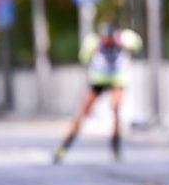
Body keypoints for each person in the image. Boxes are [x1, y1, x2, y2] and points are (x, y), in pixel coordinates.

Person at [53, 21, 143, 164]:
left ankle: (115, 144)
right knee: (83, 112)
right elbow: (83, 57)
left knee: (115, 108)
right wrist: (92, 49)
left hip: (117, 79)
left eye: (110, 38)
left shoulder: (123, 39)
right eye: (105, 38)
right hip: (98, 80)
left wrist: (124, 42)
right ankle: (65, 145)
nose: (108, 41)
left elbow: (137, 45)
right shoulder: (95, 41)